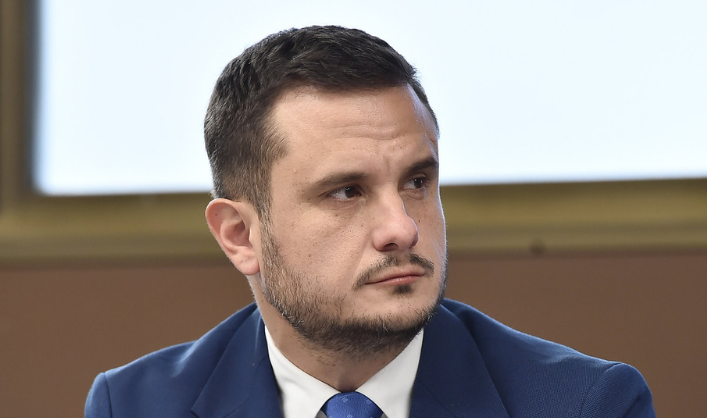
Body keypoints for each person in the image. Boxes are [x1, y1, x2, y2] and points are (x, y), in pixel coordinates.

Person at [85, 26, 655, 418]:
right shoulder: (134, 406)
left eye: (416, 182)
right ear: (240, 236)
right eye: (347, 192)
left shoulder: (584, 404)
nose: (402, 229)